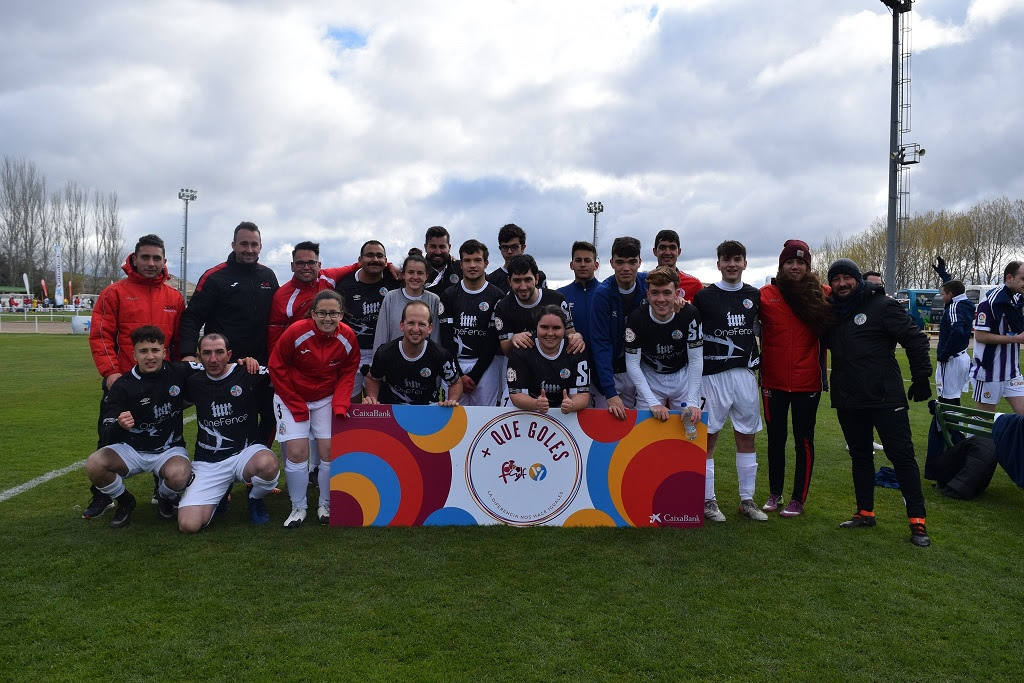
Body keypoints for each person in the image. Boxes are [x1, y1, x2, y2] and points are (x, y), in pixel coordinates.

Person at [824, 258, 932, 547]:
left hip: (885, 398)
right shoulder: (832, 312)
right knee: (860, 457)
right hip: (848, 398)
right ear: (831, 284)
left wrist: (922, 376)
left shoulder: (882, 305)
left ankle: (917, 523)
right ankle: (864, 512)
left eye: (848, 278)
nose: (842, 283)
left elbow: (916, 339)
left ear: (857, 280)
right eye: (836, 279)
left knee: (902, 457)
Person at [82, 326, 199, 528]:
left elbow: (216, 365)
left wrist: (242, 363)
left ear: (164, 351)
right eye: (143, 351)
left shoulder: (179, 371)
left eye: (155, 350)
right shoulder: (123, 385)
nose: (150, 356)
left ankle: (165, 496)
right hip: (132, 450)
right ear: (133, 354)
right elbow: (106, 430)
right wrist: (120, 425)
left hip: (168, 449)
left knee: (180, 476)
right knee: (94, 464)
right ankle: (125, 501)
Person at [179, 222, 279, 445]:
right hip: (226, 366)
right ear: (233, 245)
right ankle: (223, 467)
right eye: (244, 244)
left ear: (261, 246)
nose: (249, 249)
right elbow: (192, 317)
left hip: (260, 366)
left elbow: (278, 319)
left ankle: (256, 465)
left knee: (272, 416)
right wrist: (187, 353)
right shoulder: (215, 277)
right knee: (231, 421)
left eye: (254, 244)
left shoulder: (268, 276)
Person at [269, 290, 361, 528]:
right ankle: (298, 507)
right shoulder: (297, 332)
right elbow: (276, 366)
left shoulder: (348, 337)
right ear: (313, 313)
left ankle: (326, 504)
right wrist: (296, 403)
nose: (327, 318)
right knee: (297, 452)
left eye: (333, 313)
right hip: (292, 397)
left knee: (330, 451)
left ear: (341, 314)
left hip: (325, 398)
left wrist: (340, 403)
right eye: (322, 313)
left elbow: (348, 371)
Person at [692, 240, 765, 522]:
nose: (732, 264)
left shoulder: (754, 295)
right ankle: (708, 501)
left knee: (747, 437)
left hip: (745, 376)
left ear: (745, 263)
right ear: (718, 264)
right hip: (713, 378)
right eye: (726, 259)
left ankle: (747, 500)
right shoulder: (704, 297)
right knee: (708, 439)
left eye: (737, 259)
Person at [758, 240, 831, 517]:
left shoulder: (822, 293)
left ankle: (798, 498)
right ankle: (774, 492)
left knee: (804, 441)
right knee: (775, 440)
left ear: (808, 266)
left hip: (807, 382)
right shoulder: (766, 295)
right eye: (790, 262)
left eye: (801, 262)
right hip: (772, 382)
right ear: (782, 265)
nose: (795, 266)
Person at [177, 333, 279, 532]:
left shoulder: (248, 371)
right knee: (188, 525)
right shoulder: (193, 381)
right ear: (198, 356)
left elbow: (283, 375)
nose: (213, 359)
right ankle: (220, 493)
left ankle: (255, 498)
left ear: (229, 354)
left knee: (268, 464)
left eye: (219, 352)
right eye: (207, 353)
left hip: (245, 453)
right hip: (209, 462)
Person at [89, 234, 185, 430]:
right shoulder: (114, 293)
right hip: (123, 381)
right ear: (134, 259)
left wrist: (177, 374)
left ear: (164, 261)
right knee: (112, 443)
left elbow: (179, 341)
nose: (151, 263)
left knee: (161, 441)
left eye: (156, 258)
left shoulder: (174, 298)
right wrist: (111, 372)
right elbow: (100, 336)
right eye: (145, 257)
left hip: (162, 385)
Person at [493, 254, 582, 406]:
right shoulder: (503, 306)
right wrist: (514, 339)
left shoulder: (557, 299)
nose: (523, 286)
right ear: (509, 281)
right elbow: (506, 349)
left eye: (527, 279)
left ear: (537, 278)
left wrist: (576, 337)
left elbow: (570, 334)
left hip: (554, 368)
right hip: (519, 369)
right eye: (517, 280)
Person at [623, 266, 702, 427]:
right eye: (655, 293)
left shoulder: (689, 314)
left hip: (682, 378)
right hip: (650, 378)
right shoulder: (637, 318)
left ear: (677, 293)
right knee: (644, 433)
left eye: (667, 292)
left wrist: (692, 401)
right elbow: (632, 363)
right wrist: (652, 401)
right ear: (647, 294)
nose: (661, 299)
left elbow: (696, 359)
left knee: (688, 432)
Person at [439, 239, 505, 406]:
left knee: (485, 417)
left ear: (486, 263)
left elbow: (492, 339)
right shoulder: (449, 295)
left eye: (477, 260)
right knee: (453, 417)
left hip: (486, 366)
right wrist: (459, 375)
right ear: (461, 264)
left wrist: (475, 375)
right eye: (467, 260)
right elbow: (446, 339)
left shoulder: (497, 295)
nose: (472, 265)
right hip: (454, 365)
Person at [266, 241, 362, 354]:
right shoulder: (282, 296)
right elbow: (274, 337)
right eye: (300, 263)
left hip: (333, 351)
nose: (306, 267)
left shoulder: (328, 277)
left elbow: (359, 265)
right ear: (292, 266)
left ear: (319, 265)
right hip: (302, 355)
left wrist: (388, 265)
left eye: (311, 263)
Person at [335, 240, 401, 403]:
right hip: (352, 354)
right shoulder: (345, 285)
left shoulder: (394, 281)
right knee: (352, 406)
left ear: (386, 261)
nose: (375, 259)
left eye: (380, 256)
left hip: (384, 353)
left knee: (382, 405)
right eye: (370, 255)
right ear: (360, 260)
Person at [590, 237, 649, 417]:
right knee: (608, 427)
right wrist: (610, 392)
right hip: (611, 372)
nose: (626, 268)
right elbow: (601, 344)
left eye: (632, 262)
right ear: (612, 263)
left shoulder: (648, 284)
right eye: (620, 262)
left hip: (641, 369)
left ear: (639, 262)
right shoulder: (602, 294)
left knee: (638, 429)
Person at [364, 300, 463, 406]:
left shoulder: (441, 355)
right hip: (393, 411)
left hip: (427, 411)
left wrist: (452, 400)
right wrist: (372, 399)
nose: (416, 329)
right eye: (411, 323)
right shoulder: (385, 352)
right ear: (402, 325)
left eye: (421, 324)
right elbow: (373, 378)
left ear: (430, 328)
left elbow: (456, 382)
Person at [507, 305, 590, 414]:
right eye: (544, 327)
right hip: (526, 407)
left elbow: (582, 396)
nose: (550, 333)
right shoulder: (522, 349)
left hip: (563, 409)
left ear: (565, 329)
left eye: (556, 328)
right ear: (536, 327)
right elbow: (516, 396)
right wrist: (536, 404)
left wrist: (572, 405)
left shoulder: (575, 349)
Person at [971, 261, 1024, 413]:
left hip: (1013, 373)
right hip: (989, 372)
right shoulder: (989, 302)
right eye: (1023, 279)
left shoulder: (1016, 299)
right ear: (1009, 278)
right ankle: (968, 438)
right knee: (983, 421)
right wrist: (1015, 339)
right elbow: (980, 336)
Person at [373, 253, 441, 354]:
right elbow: (381, 334)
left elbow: (435, 337)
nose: (415, 277)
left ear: (426, 276)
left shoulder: (434, 300)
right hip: (393, 359)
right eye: (411, 272)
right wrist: (376, 362)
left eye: (420, 273)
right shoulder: (390, 297)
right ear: (404, 274)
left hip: (424, 363)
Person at [936, 280, 975, 406]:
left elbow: (956, 331)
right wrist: (944, 275)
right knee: (953, 397)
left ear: (951, 294)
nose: (942, 298)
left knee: (946, 400)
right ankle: (949, 424)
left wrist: (944, 354)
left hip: (952, 360)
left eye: (943, 295)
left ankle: (951, 425)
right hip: (962, 356)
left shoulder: (954, 307)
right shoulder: (967, 304)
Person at [557, 241, 600, 346]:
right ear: (572, 265)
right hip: (571, 359)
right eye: (578, 260)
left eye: (587, 260)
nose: (583, 264)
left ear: (596, 265)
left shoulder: (607, 293)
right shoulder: (559, 295)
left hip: (602, 359)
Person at [487, 223, 547, 293]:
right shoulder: (491, 280)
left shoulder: (539, 276)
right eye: (505, 247)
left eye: (514, 247)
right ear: (500, 248)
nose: (509, 251)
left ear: (523, 248)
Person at [651, 229, 704, 301]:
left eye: (672, 248)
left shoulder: (694, 284)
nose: (667, 252)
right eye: (662, 247)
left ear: (679, 252)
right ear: (655, 251)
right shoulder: (646, 282)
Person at [423, 226, 463, 296]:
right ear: (425, 247)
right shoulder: (415, 271)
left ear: (449, 247)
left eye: (442, 247)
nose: (438, 252)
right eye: (433, 246)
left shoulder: (462, 268)